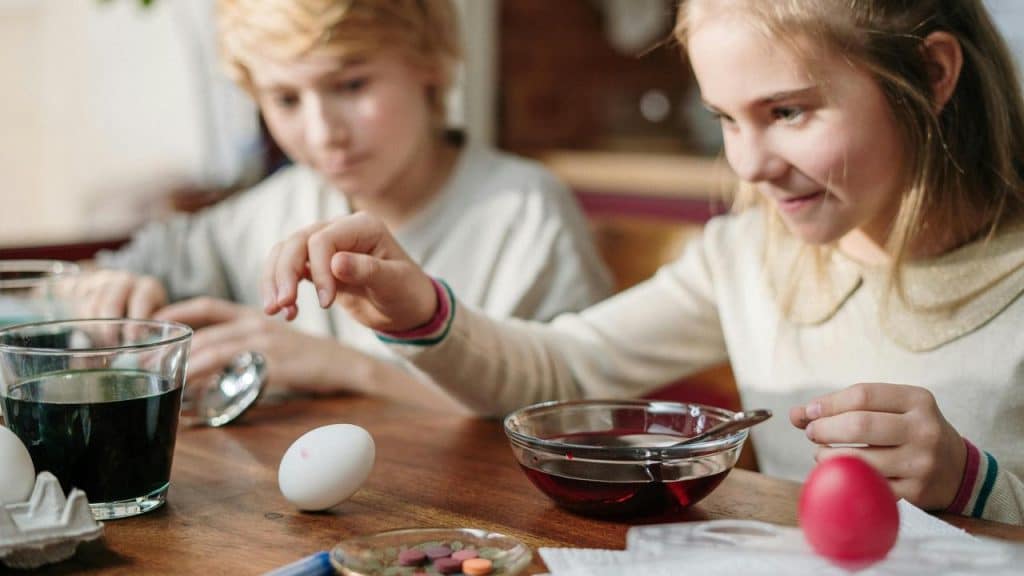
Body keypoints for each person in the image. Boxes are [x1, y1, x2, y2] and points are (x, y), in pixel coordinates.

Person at [264, 0, 1024, 524]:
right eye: (725, 118)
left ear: (932, 75)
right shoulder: (747, 254)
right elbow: (565, 372)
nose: (749, 164)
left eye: (787, 111)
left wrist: (974, 483)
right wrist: (420, 310)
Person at [73, 0, 612, 407]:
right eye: (285, 99)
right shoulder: (266, 211)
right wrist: (110, 293)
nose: (323, 132)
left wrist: (342, 367)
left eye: (352, 85)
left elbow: (572, 422)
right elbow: (118, 274)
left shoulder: (525, 214)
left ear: (430, 65)